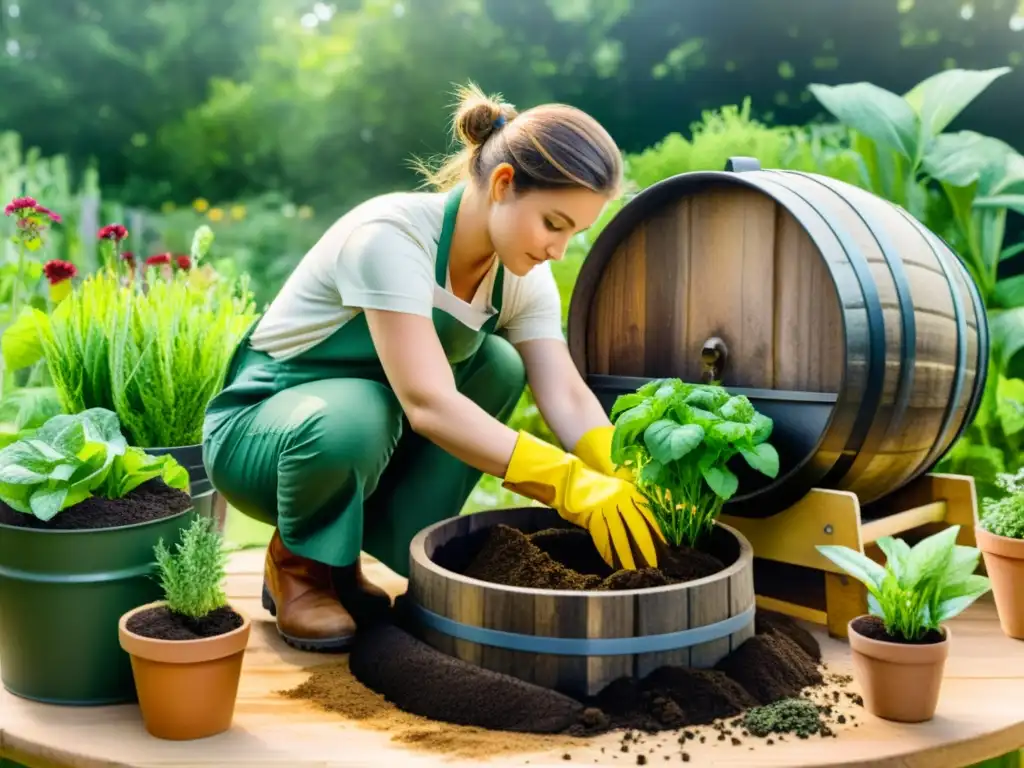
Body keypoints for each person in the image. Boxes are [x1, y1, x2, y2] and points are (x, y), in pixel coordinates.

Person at [201, 83, 666, 653]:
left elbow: (564, 391)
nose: (558, 250)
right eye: (554, 223)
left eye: (574, 233)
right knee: (359, 415)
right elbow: (426, 403)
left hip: (362, 428)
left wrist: (616, 469)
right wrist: (565, 482)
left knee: (497, 365)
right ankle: (299, 568)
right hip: (264, 429)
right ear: (502, 185)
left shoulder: (519, 276)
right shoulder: (391, 237)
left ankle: (345, 562)